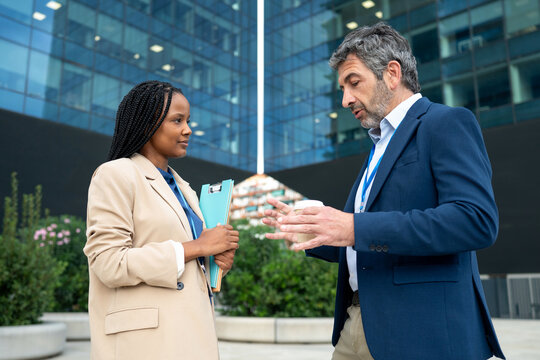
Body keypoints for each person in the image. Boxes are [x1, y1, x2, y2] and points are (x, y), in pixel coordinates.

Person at [263, 23, 505, 360]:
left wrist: (352, 227)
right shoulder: (378, 146)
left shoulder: (445, 123)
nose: (345, 99)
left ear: (392, 73)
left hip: (422, 333)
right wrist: (315, 232)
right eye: (342, 88)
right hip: (356, 327)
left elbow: (475, 220)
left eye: (354, 82)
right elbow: (365, 244)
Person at [84, 80, 239, 359]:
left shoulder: (185, 189)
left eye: (188, 120)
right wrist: (200, 247)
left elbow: (186, 266)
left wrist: (216, 264)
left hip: (190, 336)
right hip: (145, 343)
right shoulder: (115, 174)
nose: (188, 129)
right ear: (147, 124)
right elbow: (108, 263)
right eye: (177, 120)